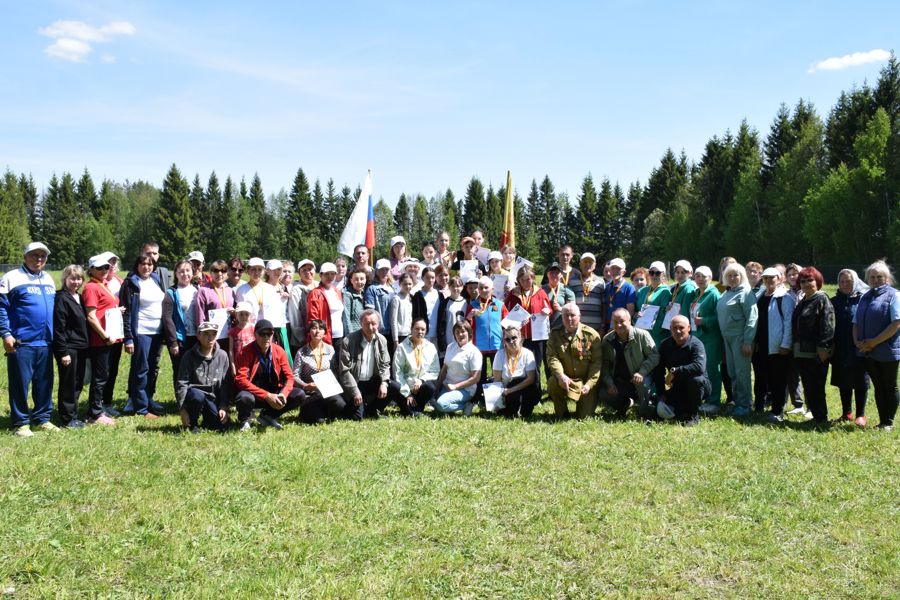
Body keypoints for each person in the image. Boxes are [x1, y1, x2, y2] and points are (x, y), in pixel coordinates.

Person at [1, 242, 57, 436]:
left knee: (44, 382)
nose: (38, 259)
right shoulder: (11, 278)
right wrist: (6, 334)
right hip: (21, 342)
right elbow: (2, 308)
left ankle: (42, 418)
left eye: (42, 256)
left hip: (45, 342)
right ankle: (21, 422)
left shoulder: (49, 279)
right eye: (34, 255)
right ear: (25, 257)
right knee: (20, 383)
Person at [120, 252, 168, 418]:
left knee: (151, 368)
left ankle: (147, 401)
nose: (146, 267)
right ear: (137, 265)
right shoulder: (130, 283)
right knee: (141, 369)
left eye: (149, 264)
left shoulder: (155, 280)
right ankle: (141, 409)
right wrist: (128, 337)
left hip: (157, 332)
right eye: (143, 264)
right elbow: (125, 313)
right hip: (141, 332)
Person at [853, 260, 900, 431]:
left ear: (887, 278)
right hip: (867, 351)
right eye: (872, 277)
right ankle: (882, 421)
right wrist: (857, 341)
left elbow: (896, 323)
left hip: (887, 350)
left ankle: (888, 421)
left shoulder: (894, 295)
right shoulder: (865, 296)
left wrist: (874, 342)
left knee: (890, 385)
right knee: (878, 386)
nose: (875, 279)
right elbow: (856, 322)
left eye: (879, 276)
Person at [234, 319, 304, 430]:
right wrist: (266, 395)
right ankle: (245, 420)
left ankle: (268, 416)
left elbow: (289, 377)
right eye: (262, 334)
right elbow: (240, 380)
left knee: (299, 394)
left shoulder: (279, 351)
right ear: (255, 334)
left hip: (274, 394)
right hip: (254, 395)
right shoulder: (245, 352)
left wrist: (283, 394)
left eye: (269, 334)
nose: (266, 337)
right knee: (243, 397)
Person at [791, 266, 835, 425]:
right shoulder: (803, 301)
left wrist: (824, 348)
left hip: (816, 353)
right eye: (802, 281)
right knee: (809, 387)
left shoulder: (821, 299)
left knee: (817, 387)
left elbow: (828, 325)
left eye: (810, 280)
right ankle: (816, 416)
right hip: (801, 352)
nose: (806, 284)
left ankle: (822, 418)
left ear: (817, 281)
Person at [598, 308, 659, 418]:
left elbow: (654, 356)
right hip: (620, 381)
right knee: (602, 391)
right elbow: (605, 364)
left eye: (622, 321)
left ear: (630, 321)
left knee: (645, 411)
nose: (618, 325)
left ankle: (645, 410)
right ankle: (623, 405)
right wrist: (609, 383)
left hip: (641, 378)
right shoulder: (607, 339)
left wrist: (642, 372)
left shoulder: (642, 335)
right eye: (615, 322)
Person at [82, 254, 122, 425]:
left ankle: (100, 408)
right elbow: (91, 316)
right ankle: (95, 414)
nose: (104, 270)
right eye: (100, 268)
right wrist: (104, 336)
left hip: (111, 338)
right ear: (91, 270)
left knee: (105, 375)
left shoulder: (103, 284)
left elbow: (103, 309)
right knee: (99, 378)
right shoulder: (91, 287)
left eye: (106, 267)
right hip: (101, 340)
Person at [716, 263, 758, 417]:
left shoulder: (746, 293)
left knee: (742, 372)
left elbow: (752, 318)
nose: (732, 278)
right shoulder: (727, 293)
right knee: (732, 371)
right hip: (727, 338)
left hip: (740, 338)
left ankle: (745, 405)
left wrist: (748, 341)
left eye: (736, 275)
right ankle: (737, 401)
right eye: (729, 276)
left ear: (742, 276)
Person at [546, 303, 603, 419]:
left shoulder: (592, 335)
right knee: (553, 382)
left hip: (585, 383)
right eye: (566, 315)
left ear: (579, 316)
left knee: (584, 417)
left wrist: (589, 384)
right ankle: (562, 412)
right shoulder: (554, 334)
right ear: (561, 317)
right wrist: (561, 376)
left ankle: (585, 403)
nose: (569, 319)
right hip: (565, 381)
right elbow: (552, 357)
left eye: (573, 315)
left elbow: (596, 363)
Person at [175, 321, 231, 433]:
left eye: (213, 334)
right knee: (196, 395)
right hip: (195, 396)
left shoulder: (223, 356)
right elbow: (182, 383)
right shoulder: (189, 356)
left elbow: (226, 384)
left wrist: (224, 407)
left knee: (220, 426)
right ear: (198, 335)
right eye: (206, 334)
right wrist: (182, 409)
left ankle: (208, 419)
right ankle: (192, 423)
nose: (210, 338)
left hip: (213, 398)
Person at [655, 315, 711, 426]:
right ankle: (683, 410)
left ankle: (694, 415)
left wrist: (675, 371)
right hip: (678, 387)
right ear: (670, 329)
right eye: (674, 328)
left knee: (696, 380)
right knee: (657, 409)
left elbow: (699, 367)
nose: (678, 331)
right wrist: (661, 393)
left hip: (700, 387)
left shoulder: (696, 344)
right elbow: (658, 371)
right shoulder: (665, 345)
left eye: (681, 327)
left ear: (689, 328)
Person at [753, 267, 794, 415]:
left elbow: (789, 323)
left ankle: (778, 410)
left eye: (772, 278)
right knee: (760, 378)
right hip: (760, 346)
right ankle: (758, 406)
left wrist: (785, 344)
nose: (769, 281)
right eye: (766, 278)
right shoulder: (759, 296)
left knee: (778, 380)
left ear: (780, 279)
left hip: (777, 347)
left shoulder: (785, 298)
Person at [830, 269, 870, 426]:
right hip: (840, 347)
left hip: (859, 346)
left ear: (856, 282)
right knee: (843, 380)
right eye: (842, 281)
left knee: (860, 380)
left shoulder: (863, 300)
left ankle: (861, 414)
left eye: (849, 281)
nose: (845, 284)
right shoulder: (834, 301)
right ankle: (846, 412)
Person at [504, 265, 551, 394]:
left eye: (528, 279)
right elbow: (505, 310)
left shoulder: (540, 292)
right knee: (520, 365)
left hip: (537, 336)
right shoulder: (513, 293)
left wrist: (548, 311)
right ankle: (521, 391)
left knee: (535, 365)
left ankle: (536, 393)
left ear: (533, 278)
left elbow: (549, 308)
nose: (526, 282)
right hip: (518, 337)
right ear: (518, 280)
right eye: (523, 280)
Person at [52, 264, 89, 428]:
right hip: (69, 348)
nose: (76, 281)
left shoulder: (79, 298)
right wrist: (63, 352)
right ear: (65, 279)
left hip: (81, 347)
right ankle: (66, 418)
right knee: (68, 383)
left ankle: (73, 414)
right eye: (72, 278)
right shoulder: (61, 298)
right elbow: (59, 327)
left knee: (77, 382)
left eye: (79, 278)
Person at [339, 309, 393, 419]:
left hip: (372, 381)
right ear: (361, 324)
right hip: (356, 383)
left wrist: (384, 383)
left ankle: (373, 409)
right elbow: (344, 370)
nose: (370, 327)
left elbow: (385, 364)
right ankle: (362, 407)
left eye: (374, 324)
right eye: (367, 324)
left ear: (378, 324)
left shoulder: (382, 340)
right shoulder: (348, 341)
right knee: (358, 417)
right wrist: (355, 391)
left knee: (394, 387)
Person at [293, 319, 347, 423]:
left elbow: (335, 370)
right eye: (314, 328)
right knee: (319, 421)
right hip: (311, 394)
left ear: (325, 333)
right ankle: (307, 411)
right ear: (309, 332)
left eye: (321, 328)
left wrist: (331, 381)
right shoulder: (301, 352)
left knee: (341, 404)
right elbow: (294, 375)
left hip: (327, 391)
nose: (317, 331)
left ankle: (325, 411)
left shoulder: (330, 349)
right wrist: (305, 385)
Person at [690, 267, 725, 416]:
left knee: (712, 369)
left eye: (704, 276)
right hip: (699, 337)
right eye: (697, 276)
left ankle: (715, 401)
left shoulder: (714, 294)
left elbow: (720, 318)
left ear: (710, 278)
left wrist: (703, 321)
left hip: (711, 338)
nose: (700, 279)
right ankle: (707, 398)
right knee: (703, 369)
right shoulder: (697, 293)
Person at [163, 260, 199, 398]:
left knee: (195, 370)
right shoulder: (171, 293)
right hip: (180, 339)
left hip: (196, 337)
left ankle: (195, 398)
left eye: (188, 270)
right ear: (176, 274)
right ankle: (181, 401)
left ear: (192, 272)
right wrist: (173, 342)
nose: (185, 274)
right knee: (180, 370)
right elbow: (167, 319)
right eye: (181, 271)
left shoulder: (197, 290)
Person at [467, 275, 508, 397]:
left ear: (492, 289)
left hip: (497, 345)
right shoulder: (473, 305)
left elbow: (507, 324)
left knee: (498, 372)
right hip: (479, 346)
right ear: (478, 290)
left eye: (486, 288)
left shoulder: (500, 305)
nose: (484, 290)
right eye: (481, 288)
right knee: (480, 374)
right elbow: (467, 327)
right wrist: (469, 317)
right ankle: (479, 396)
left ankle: (498, 396)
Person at [635, 261, 672, 393]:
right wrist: (637, 317)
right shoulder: (643, 291)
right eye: (651, 272)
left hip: (657, 335)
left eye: (657, 273)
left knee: (656, 364)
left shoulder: (666, 293)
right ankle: (643, 391)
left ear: (663, 274)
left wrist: (652, 328)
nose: (654, 275)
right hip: (641, 333)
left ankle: (656, 392)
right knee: (642, 363)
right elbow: (636, 312)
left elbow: (663, 316)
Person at [433, 321, 483, 415]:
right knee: (434, 402)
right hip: (447, 386)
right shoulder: (450, 347)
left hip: (465, 389)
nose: (460, 334)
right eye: (457, 332)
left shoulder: (474, 352)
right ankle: (450, 407)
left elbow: (476, 378)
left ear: (469, 333)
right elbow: (444, 369)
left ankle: (467, 405)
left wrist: (456, 386)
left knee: (440, 404)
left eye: (463, 331)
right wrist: (437, 387)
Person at [392, 318, 440, 416]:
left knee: (430, 386)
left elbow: (435, 370)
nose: (420, 332)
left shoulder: (431, 347)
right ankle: (413, 410)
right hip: (405, 388)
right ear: (411, 329)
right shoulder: (402, 347)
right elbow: (397, 372)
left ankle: (415, 408)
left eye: (423, 329)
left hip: (420, 388)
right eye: (417, 329)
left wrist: (421, 380)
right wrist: (407, 393)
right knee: (393, 386)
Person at [492, 325, 539, 417]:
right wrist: (496, 400)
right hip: (506, 390)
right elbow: (497, 380)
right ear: (504, 342)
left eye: (514, 338)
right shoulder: (499, 355)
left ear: (520, 337)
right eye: (507, 339)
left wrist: (510, 390)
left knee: (525, 413)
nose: (511, 341)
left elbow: (531, 379)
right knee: (507, 414)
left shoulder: (528, 354)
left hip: (524, 387)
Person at [99, 251, 124, 417]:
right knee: (102, 371)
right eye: (109, 262)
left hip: (117, 332)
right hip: (102, 334)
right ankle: (98, 404)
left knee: (113, 369)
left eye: (114, 262)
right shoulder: (98, 283)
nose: (112, 266)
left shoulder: (121, 282)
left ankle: (107, 403)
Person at [195, 259, 235, 353]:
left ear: (227, 273)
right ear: (211, 273)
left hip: (228, 335)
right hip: (211, 336)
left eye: (223, 271)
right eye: (216, 270)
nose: (220, 274)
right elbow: (200, 315)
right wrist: (203, 335)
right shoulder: (204, 290)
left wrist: (234, 314)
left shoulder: (230, 290)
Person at [306, 262, 344, 356]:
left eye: (332, 274)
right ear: (321, 275)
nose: (329, 277)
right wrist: (318, 336)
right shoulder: (315, 293)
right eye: (326, 274)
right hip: (325, 337)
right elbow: (313, 318)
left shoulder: (337, 291)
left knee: (338, 365)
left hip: (339, 335)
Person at [569, 252, 606, 334]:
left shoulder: (600, 282)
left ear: (595, 265)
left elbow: (604, 305)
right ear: (580, 264)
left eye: (590, 262)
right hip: (577, 327)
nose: (587, 264)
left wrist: (603, 325)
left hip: (596, 327)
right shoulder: (572, 282)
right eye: (585, 262)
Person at [234, 257, 277, 325]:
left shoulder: (270, 289)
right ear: (247, 271)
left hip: (267, 328)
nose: (257, 272)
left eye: (260, 269)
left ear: (264, 271)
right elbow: (239, 312)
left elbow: (274, 312)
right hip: (249, 329)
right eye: (253, 269)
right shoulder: (241, 290)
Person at [264, 259, 292, 362]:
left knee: (284, 355)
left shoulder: (283, 287)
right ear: (267, 271)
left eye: (279, 269)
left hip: (282, 327)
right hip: (269, 327)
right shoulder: (263, 287)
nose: (276, 272)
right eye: (273, 270)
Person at [287, 259, 316, 355]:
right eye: (304, 270)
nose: (308, 272)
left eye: (310, 269)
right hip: (300, 340)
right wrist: (302, 338)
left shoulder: (319, 286)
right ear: (299, 273)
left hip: (317, 336)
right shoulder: (296, 290)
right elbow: (295, 317)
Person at [364, 259, 394, 342]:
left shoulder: (394, 288)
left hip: (394, 330)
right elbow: (370, 311)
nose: (384, 272)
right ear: (376, 271)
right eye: (381, 269)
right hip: (380, 330)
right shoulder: (372, 289)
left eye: (386, 269)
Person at [437, 275, 468, 356]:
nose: (455, 288)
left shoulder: (466, 302)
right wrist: (442, 343)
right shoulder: (445, 303)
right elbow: (440, 323)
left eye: (458, 286)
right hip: (449, 338)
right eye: (453, 286)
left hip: (464, 338)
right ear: (449, 287)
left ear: (462, 287)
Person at [603, 258, 637, 330]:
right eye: (613, 268)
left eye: (618, 269)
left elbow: (630, 312)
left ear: (624, 272)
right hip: (608, 326)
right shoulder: (607, 286)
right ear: (609, 270)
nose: (615, 271)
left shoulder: (629, 288)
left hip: (621, 327)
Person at [541, 262, 576, 330]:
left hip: (561, 328)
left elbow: (572, 310)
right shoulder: (541, 289)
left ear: (561, 275)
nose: (554, 274)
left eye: (557, 272)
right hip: (544, 328)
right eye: (551, 272)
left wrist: (560, 309)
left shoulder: (567, 289)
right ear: (547, 274)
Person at [412, 267, 441, 347]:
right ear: (422, 278)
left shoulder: (440, 295)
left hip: (437, 335)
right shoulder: (418, 296)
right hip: (423, 334)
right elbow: (415, 315)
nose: (430, 280)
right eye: (427, 277)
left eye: (432, 277)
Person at [389, 273, 414, 357]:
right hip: (400, 335)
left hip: (410, 334)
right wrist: (395, 340)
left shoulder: (411, 298)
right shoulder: (396, 299)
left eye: (410, 284)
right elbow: (393, 321)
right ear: (400, 284)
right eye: (405, 284)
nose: (407, 286)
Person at [227, 301, 256, 373]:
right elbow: (231, 350)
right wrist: (232, 365)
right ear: (236, 315)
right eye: (241, 314)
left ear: (250, 315)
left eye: (246, 314)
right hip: (239, 364)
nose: (244, 317)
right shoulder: (232, 331)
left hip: (253, 362)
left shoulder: (254, 328)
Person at [343, 268, 368, 336]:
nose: (359, 282)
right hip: (354, 334)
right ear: (351, 281)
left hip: (365, 333)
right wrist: (350, 337)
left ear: (365, 280)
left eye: (362, 279)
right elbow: (346, 318)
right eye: (356, 279)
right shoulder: (347, 295)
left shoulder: (365, 294)